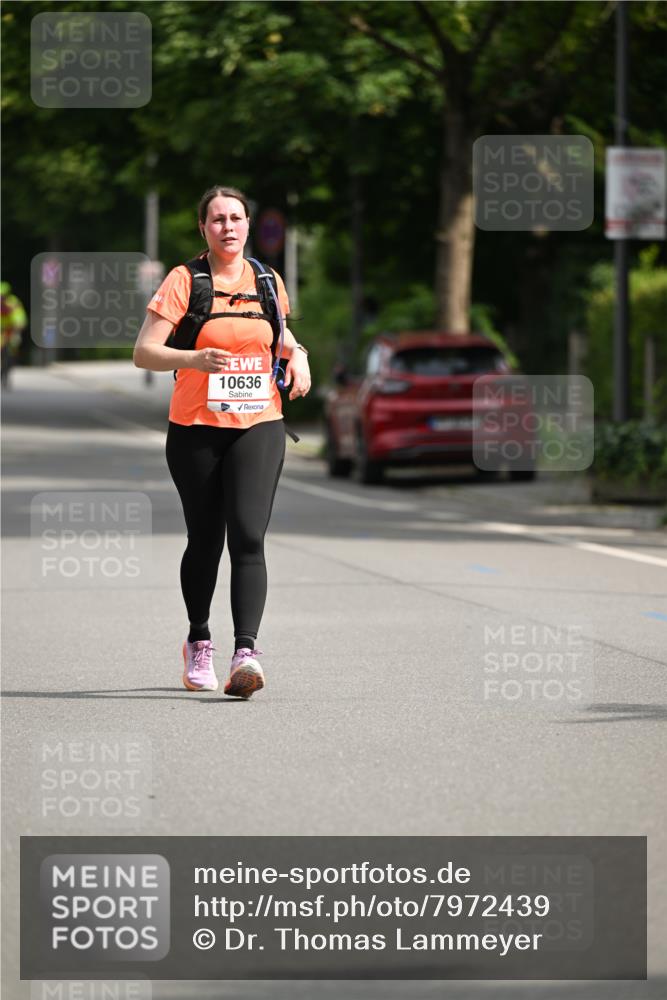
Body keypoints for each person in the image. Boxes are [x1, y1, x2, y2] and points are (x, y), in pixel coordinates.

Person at [133, 186, 311, 698]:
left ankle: (246, 655)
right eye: (217, 219)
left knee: (249, 536)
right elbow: (145, 351)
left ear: (248, 225)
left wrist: (298, 355)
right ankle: (199, 640)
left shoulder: (267, 280)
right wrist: (193, 359)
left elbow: (278, 334)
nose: (228, 227)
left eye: (236, 218)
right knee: (206, 539)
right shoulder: (184, 281)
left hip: (260, 422)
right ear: (203, 228)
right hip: (196, 428)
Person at [1, 282, 27, 388]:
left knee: (14, 346)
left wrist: (20, 323)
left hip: (10, 330)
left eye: (3, 296)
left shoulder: (13, 302)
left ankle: (10, 363)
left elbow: (19, 315)